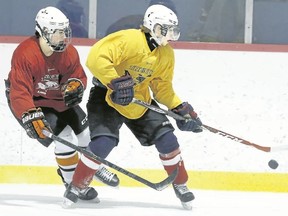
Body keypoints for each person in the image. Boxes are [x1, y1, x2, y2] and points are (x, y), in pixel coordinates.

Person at [63, 4, 203, 210]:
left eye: (171, 30)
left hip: (139, 99)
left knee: (167, 139)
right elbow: (95, 59)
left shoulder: (166, 54)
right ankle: (77, 186)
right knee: (103, 143)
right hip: (107, 95)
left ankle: (181, 184)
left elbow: (162, 87)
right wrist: (115, 82)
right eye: (164, 29)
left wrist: (179, 108)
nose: (168, 35)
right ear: (151, 27)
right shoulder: (129, 39)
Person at [4, 6, 119, 201]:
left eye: (64, 32)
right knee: (64, 138)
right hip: (33, 102)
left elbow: (78, 76)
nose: (62, 37)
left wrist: (76, 85)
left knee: (87, 134)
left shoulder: (69, 52)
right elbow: (20, 91)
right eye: (56, 32)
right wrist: (29, 114)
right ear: (42, 31)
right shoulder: (25, 53)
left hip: (58, 99)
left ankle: (94, 165)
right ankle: (72, 183)